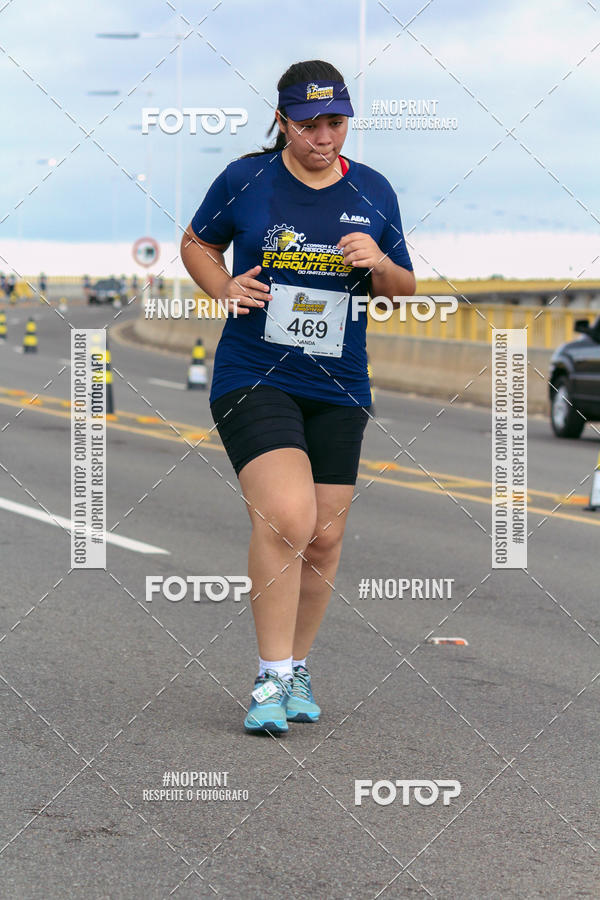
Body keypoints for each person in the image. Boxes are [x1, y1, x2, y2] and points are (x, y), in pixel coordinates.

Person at [181, 59, 415, 735]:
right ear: (282, 121)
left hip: (339, 382)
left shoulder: (373, 190)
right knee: (288, 515)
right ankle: (270, 676)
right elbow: (198, 242)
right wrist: (220, 286)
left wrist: (379, 263)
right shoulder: (246, 179)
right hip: (254, 371)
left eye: (335, 122)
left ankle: (299, 668)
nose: (323, 136)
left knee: (326, 537)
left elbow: (406, 289)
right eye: (309, 123)